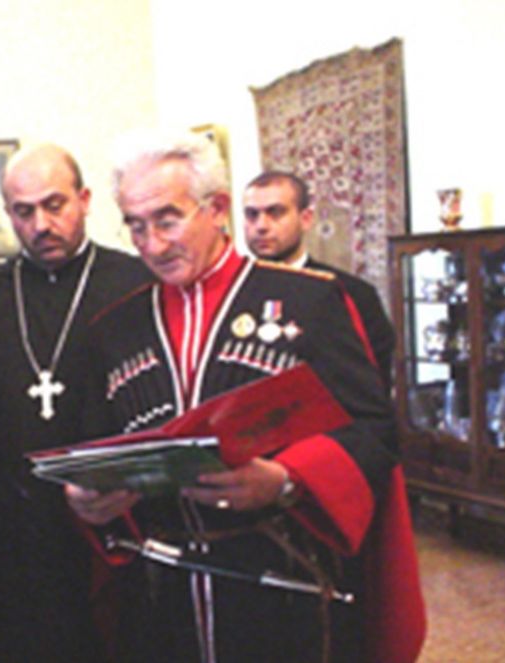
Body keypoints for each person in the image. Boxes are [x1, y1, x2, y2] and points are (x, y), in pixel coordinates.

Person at [65, 131, 425, 663]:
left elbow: (375, 432)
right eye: (136, 226)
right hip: (162, 598)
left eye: (167, 220)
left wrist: (287, 479)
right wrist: (91, 496)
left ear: (217, 209)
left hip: (280, 585)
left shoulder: (312, 302)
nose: (152, 245)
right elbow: (99, 445)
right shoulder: (114, 329)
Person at [0, 143, 151, 662]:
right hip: (19, 536)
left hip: (113, 525)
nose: (41, 224)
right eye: (24, 212)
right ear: (8, 214)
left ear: (85, 199)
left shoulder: (134, 282)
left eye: (54, 205)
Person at [242, 171, 395, 392]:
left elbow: (373, 385)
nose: (261, 226)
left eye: (275, 213)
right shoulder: (234, 292)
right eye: (251, 215)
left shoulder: (351, 293)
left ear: (305, 218)